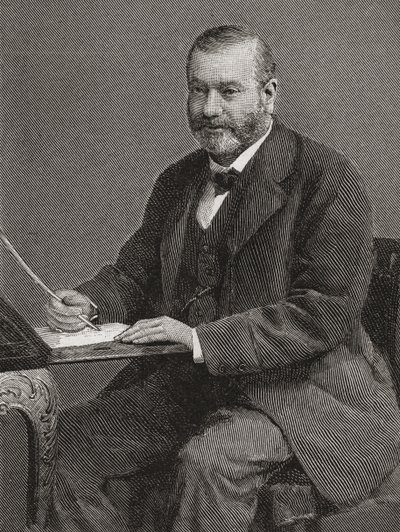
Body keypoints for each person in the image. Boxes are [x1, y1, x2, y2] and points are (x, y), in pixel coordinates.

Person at [45, 25, 400, 532]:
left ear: (268, 94)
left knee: (207, 463)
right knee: (68, 442)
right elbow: (135, 273)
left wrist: (199, 340)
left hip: (301, 391)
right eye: (198, 89)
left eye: (228, 91)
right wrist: (91, 302)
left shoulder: (328, 178)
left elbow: (325, 312)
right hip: (191, 384)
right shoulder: (177, 180)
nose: (209, 108)